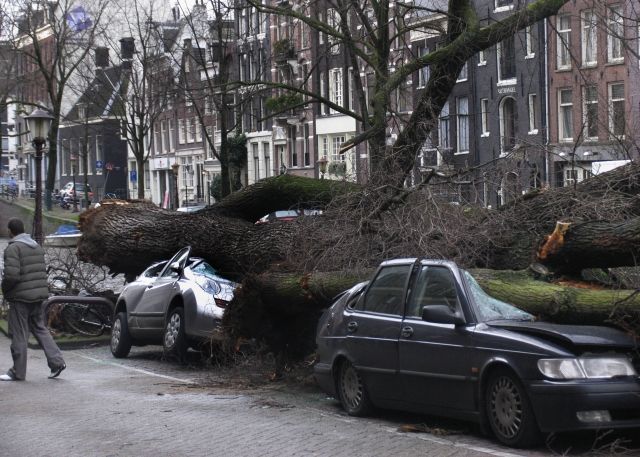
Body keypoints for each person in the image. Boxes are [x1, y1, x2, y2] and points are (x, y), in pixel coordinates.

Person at [0, 218, 66, 381]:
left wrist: (5, 290)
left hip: (20, 297)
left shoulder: (13, 248)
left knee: (20, 334)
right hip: (38, 296)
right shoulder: (36, 246)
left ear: (10, 231)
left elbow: (12, 276)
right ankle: (57, 362)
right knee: (40, 328)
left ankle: (18, 372)